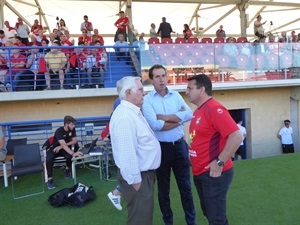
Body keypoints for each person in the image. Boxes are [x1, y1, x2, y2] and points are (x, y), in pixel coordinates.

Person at [143, 64, 196, 225]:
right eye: (157, 77)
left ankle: (191, 222)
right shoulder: (147, 100)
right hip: (162, 149)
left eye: (163, 76)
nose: (161, 80)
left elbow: (190, 114)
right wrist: (178, 119)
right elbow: (155, 125)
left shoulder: (176, 96)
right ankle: (168, 222)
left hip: (180, 146)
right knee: (164, 191)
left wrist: (164, 117)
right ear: (152, 80)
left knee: (186, 188)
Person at [186, 74, 243, 225]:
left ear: (202, 89)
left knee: (216, 219)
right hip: (200, 172)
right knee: (210, 214)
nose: (187, 92)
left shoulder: (214, 109)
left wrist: (219, 162)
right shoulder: (198, 111)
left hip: (214, 174)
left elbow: (236, 136)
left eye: (190, 88)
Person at [110, 76, 161, 225]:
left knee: (142, 218)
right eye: (139, 90)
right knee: (140, 220)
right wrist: (135, 182)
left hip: (143, 176)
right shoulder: (125, 116)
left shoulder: (132, 112)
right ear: (128, 93)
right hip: (138, 178)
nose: (143, 93)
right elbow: (127, 153)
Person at [45, 115, 83, 189]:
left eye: (74, 124)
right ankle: (50, 179)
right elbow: (63, 144)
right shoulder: (59, 131)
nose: (73, 126)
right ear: (66, 124)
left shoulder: (72, 130)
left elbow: (74, 141)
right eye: (72, 124)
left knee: (69, 156)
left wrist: (62, 146)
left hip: (62, 148)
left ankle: (67, 169)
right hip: (54, 148)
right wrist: (73, 153)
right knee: (49, 158)